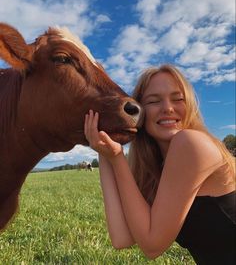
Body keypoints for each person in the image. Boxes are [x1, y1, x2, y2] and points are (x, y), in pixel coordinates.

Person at [84, 64, 235, 265]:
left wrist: (117, 159)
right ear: (140, 114)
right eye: (154, 101)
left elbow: (152, 246)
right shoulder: (158, 167)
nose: (167, 108)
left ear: (189, 104)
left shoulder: (191, 144)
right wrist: (104, 148)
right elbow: (122, 237)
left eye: (178, 98)